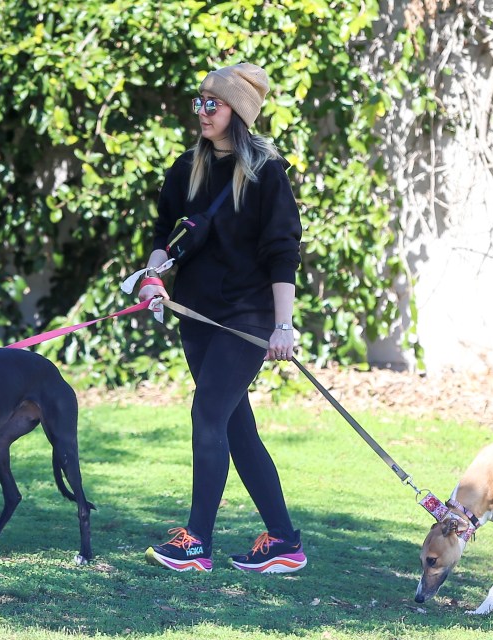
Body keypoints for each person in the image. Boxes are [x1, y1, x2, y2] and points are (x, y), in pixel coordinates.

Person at [136, 62, 306, 573]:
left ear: (239, 111)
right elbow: (163, 235)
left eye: (214, 103)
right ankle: (283, 541)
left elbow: (282, 252)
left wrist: (282, 326)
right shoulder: (186, 167)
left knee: (206, 414)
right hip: (196, 317)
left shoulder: (265, 173)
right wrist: (152, 278)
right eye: (200, 102)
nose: (203, 112)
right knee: (236, 428)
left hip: (246, 320)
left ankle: (196, 543)